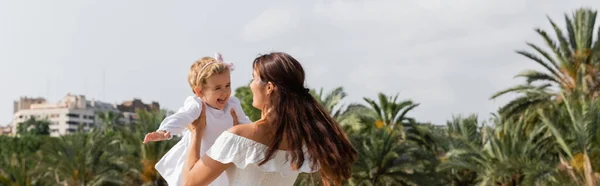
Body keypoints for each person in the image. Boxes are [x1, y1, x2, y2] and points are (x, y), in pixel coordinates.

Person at [181, 52, 358, 186]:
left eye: (254, 79)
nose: (250, 85)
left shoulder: (238, 136)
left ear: (269, 88)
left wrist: (196, 133)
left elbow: (190, 182)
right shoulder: (303, 140)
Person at [143, 53, 253, 186]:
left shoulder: (233, 104)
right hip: (200, 161)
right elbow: (182, 117)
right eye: (217, 88)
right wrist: (164, 131)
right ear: (200, 92)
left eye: (227, 85)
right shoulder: (198, 105)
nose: (225, 92)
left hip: (221, 161)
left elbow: (247, 124)